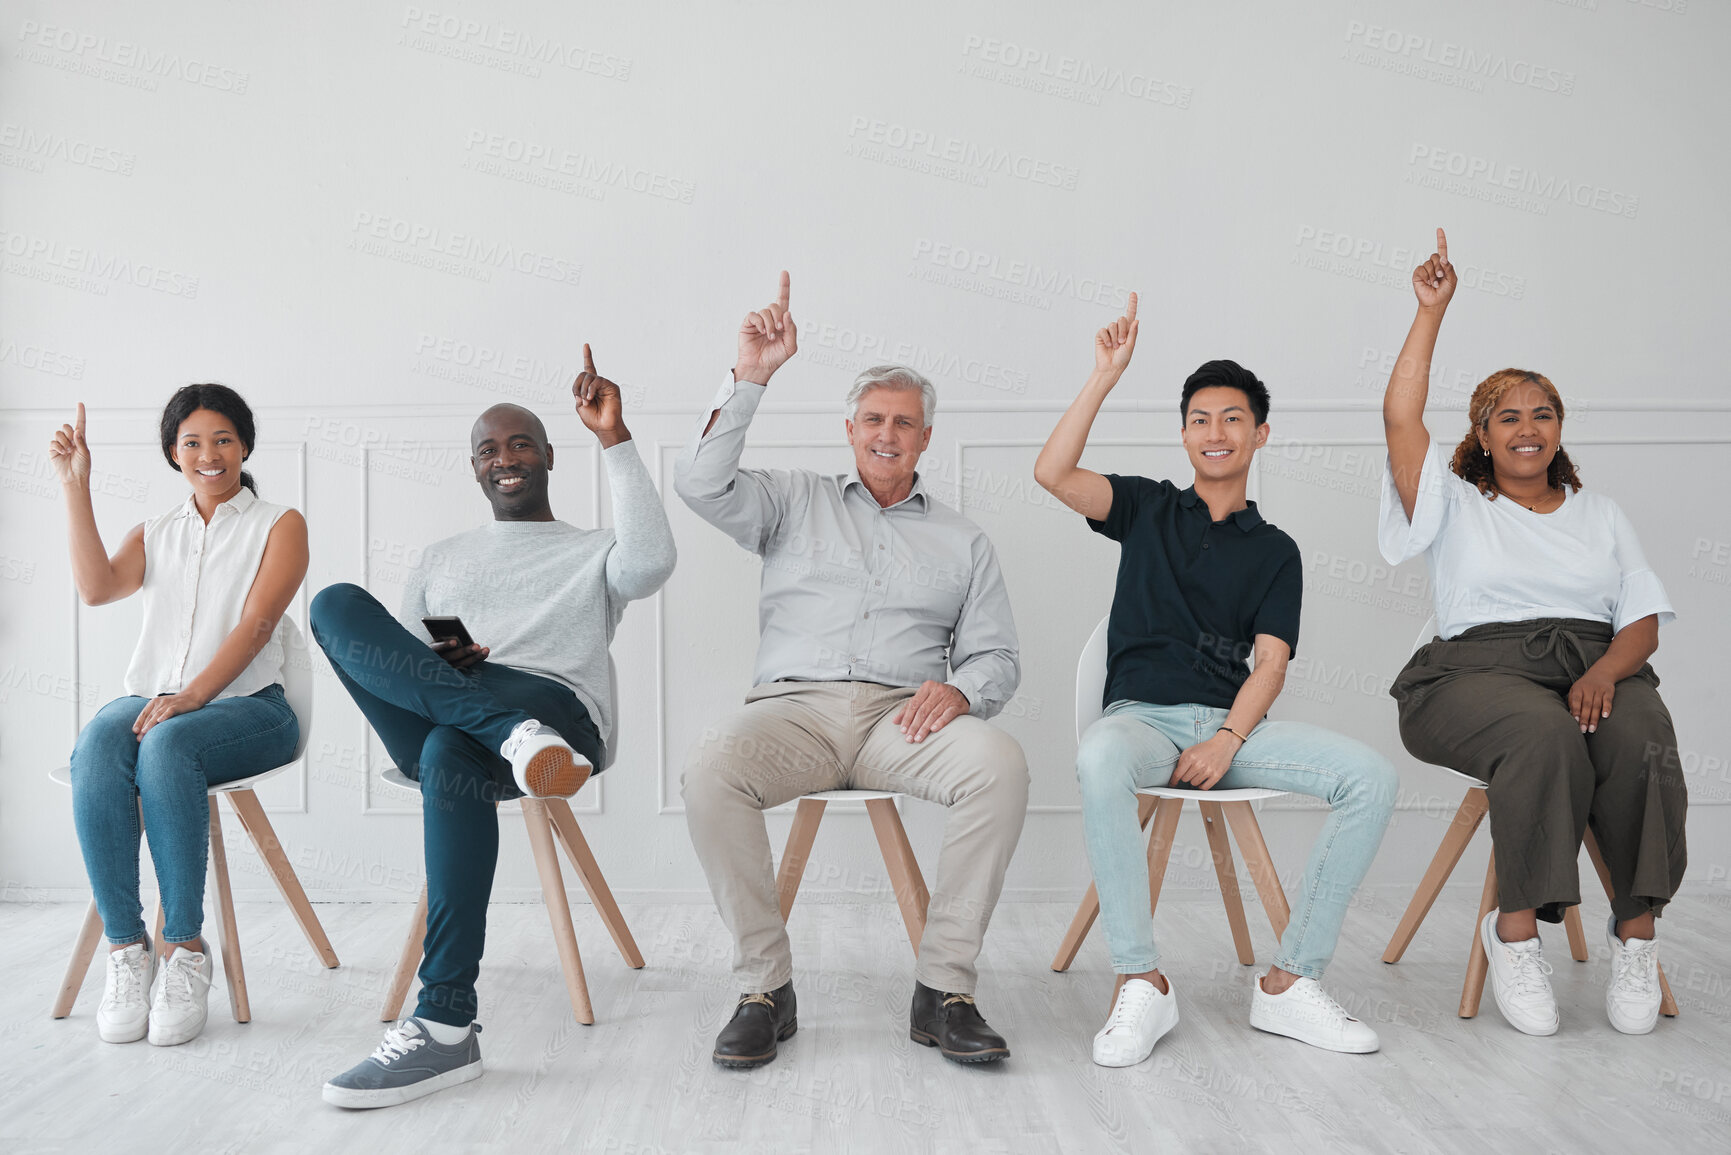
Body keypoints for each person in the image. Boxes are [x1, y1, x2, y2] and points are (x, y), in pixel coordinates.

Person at [1034, 294, 1398, 1067]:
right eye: (1199, 418)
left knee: (1368, 776)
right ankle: (1141, 980)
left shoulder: (1275, 550)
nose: (1214, 431)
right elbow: (1052, 471)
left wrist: (1229, 735)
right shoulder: (1145, 507)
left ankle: (1288, 982)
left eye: (1231, 417)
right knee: (1099, 755)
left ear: (1259, 433)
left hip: (1230, 729)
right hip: (1139, 719)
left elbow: (1269, 663)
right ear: (1183, 433)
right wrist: (1103, 376)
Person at [675, 272, 1028, 1069]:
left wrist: (963, 688)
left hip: (903, 718)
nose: (886, 433)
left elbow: (997, 653)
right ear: (849, 428)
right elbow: (698, 482)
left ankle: (944, 990)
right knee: (708, 770)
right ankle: (765, 987)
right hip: (792, 712)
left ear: (925, 439)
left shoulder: (963, 541)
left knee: (999, 765)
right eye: (873, 418)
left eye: (904, 423)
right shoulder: (789, 500)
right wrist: (752, 376)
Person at [313, 348, 676, 1107]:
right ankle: (507, 733)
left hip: (554, 709)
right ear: (474, 469)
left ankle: (444, 1026)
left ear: (547, 457)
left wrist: (615, 437)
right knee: (333, 603)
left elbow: (651, 561)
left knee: (449, 744)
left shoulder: (591, 550)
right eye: (487, 449)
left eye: (518, 444)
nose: (503, 457)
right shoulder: (443, 556)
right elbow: (403, 658)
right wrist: (450, 654)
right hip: (471, 702)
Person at [1379, 229, 1685, 1037]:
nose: (1525, 427)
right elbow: (1399, 412)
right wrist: (1429, 312)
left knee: (1643, 732)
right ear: (1480, 435)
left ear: (1558, 427)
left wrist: (1605, 673)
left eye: (1541, 413)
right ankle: (1514, 931)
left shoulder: (1600, 513)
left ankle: (1636, 936)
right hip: (1468, 679)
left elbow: (1642, 621)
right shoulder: (1450, 501)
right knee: (1542, 733)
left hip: (1596, 667)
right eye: (1504, 416)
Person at [53, 385, 309, 1048]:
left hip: (251, 708)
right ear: (173, 452)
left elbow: (257, 624)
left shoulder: (279, 524)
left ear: (245, 444)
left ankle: (185, 949)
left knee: (166, 748)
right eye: (192, 441)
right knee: (98, 743)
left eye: (222, 438)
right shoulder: (157, 532)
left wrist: (193, 696)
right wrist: (76, 485)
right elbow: (96, 586)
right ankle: (124, 950)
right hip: (158, 701)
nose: (209, 453)